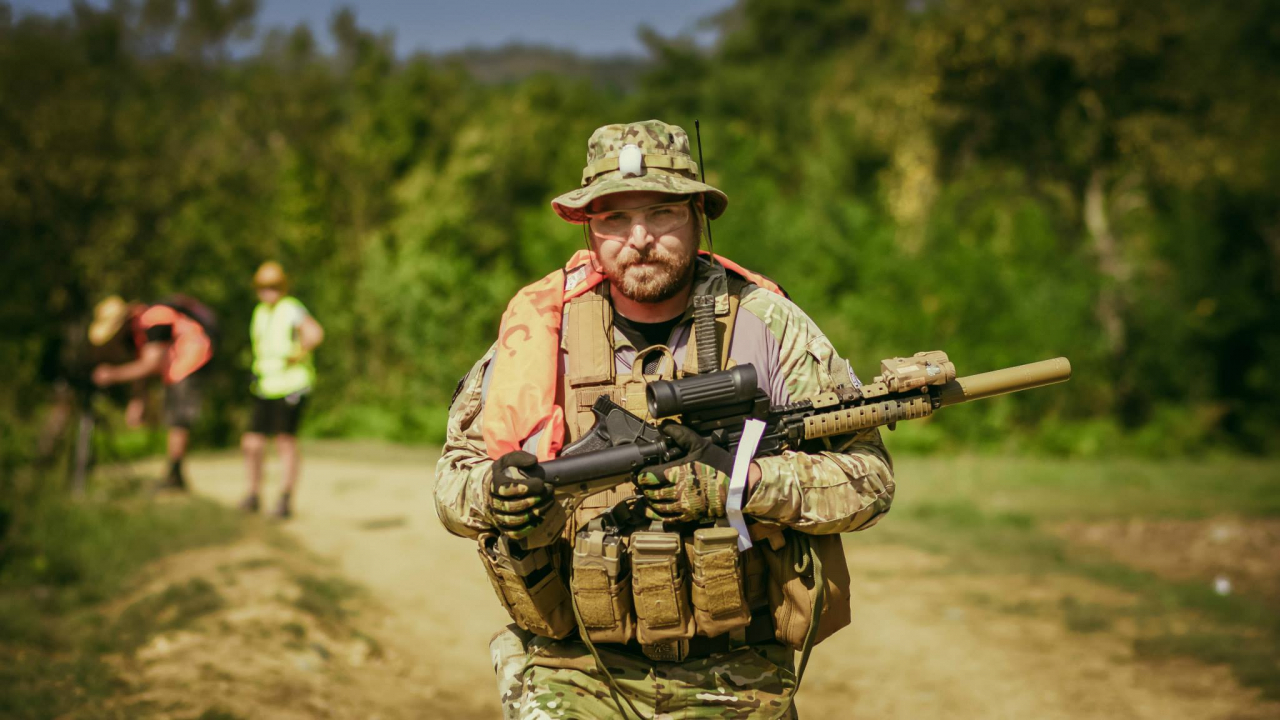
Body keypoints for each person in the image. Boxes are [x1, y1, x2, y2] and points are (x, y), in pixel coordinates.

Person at [434, 120, 896, 719]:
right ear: (589, 229)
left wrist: (743, 485)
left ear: (699, 215)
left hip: (735, 668)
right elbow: (451, 482)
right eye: (615, 219)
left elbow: (870, 480)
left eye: (662, 213)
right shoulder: (540, 333)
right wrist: (497, 496)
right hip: (569, 666)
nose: (640, 238)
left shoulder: (767, 325)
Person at [89, 294, 215, 490]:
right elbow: (144, 367)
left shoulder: (155, 317)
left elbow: (152, 363)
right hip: (175, 366)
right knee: (172, 417)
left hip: (191, 358)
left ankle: (174, 475)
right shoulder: (138, 330)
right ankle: (175, 474)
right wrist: (137, 400)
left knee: (178, 419)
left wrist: (113, 375)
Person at [240, 261, 324, 519]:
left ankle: (285, 499)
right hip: (265, 385)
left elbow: (314, 333)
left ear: (282, 287)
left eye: (274, 286)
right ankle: (253, 494)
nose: (269, 291)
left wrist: (297, 354)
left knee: (284, 441)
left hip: (291, 385)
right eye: (264, 286)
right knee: (251, 443)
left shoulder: (291, 308)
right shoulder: (260, 312)